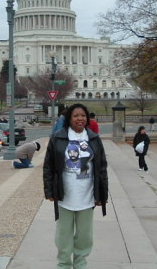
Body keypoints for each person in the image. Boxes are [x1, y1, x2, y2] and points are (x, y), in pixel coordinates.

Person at [43, 103, 108, 269]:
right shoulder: (58, 138)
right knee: (63, 236)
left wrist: (102, 195)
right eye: (76, 116)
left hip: (87, 194)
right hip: (65, 194)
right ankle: (64, 264)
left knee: (85, 236)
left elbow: (101, 168)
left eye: (83, 116)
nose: (80, 119)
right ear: (69, 119)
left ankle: (80, 264)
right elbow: (48, 166)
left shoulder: (93, 138)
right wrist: (49, 190)